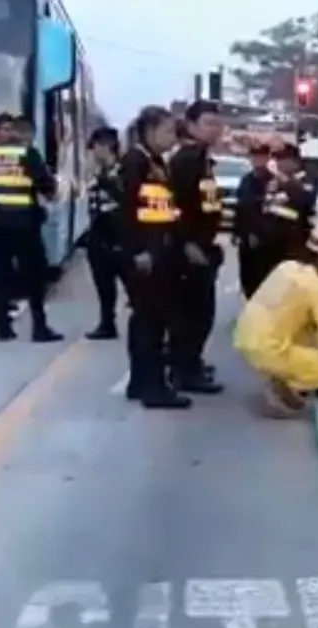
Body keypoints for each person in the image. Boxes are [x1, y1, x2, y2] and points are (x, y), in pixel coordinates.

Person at [233, 226, 318, 417]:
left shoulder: (286, 267)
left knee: (307, 332)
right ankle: (283, 384)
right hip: (269, 348)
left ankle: (282, 378)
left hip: (245, 336)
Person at [119, 105, 190, 409]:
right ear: (149, 131)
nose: (172, 138)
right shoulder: (136, 161)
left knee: (147, 320)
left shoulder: (156, 161)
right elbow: (127, 210)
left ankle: (139, 382)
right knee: (152, 322)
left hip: (160, 249)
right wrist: (139, 250)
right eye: (167, 131)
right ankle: (154, 388)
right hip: (146, 254)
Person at [0, 113, 62, 343]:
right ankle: (39, 327)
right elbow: (46, 186)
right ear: (27, 133)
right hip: (25, 223)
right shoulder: (29, 154)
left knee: (1, 275)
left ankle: (3, 328)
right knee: (34, 276)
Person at [167, 99, 225, 394]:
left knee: (200, 312)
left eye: (218, 123)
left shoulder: (203, 159)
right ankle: (184, 371)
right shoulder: (186, 161)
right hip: (189, 250)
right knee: (195, 314)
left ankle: (190, 363)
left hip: (204, 246)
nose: (216, 130)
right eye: (208, 123)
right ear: (190, 126)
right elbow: (173, 206)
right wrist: (187, 241)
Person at [83, 126, 124, 339]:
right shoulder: (97, 171)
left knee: (134, 286)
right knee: (104, 284)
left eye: (95, 147)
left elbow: (126, 200)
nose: (93, 152)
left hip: (118, 235)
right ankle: (107, 323)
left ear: (106, 146)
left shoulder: (122, 171)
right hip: (98, 235)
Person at [257, 144, 315, 269]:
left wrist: (284, 180)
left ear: (295, 162)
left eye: (283, 159)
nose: (279, 163)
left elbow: (304, 200)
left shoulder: (305, 181)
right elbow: (267, 208)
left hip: (293, 245)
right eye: (277, 159)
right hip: (270, 245)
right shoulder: (273, 183)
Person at [233, 144, 273, 297]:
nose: (258, 160)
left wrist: (260, 232)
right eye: (255, 157)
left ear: (268, 158)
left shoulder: (273, 182)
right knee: (247, 278)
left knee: (263, 280)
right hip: (245, 239)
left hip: (266, 241)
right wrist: (237, 232)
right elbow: (240, 207)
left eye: (262, 156)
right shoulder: (246, 181)